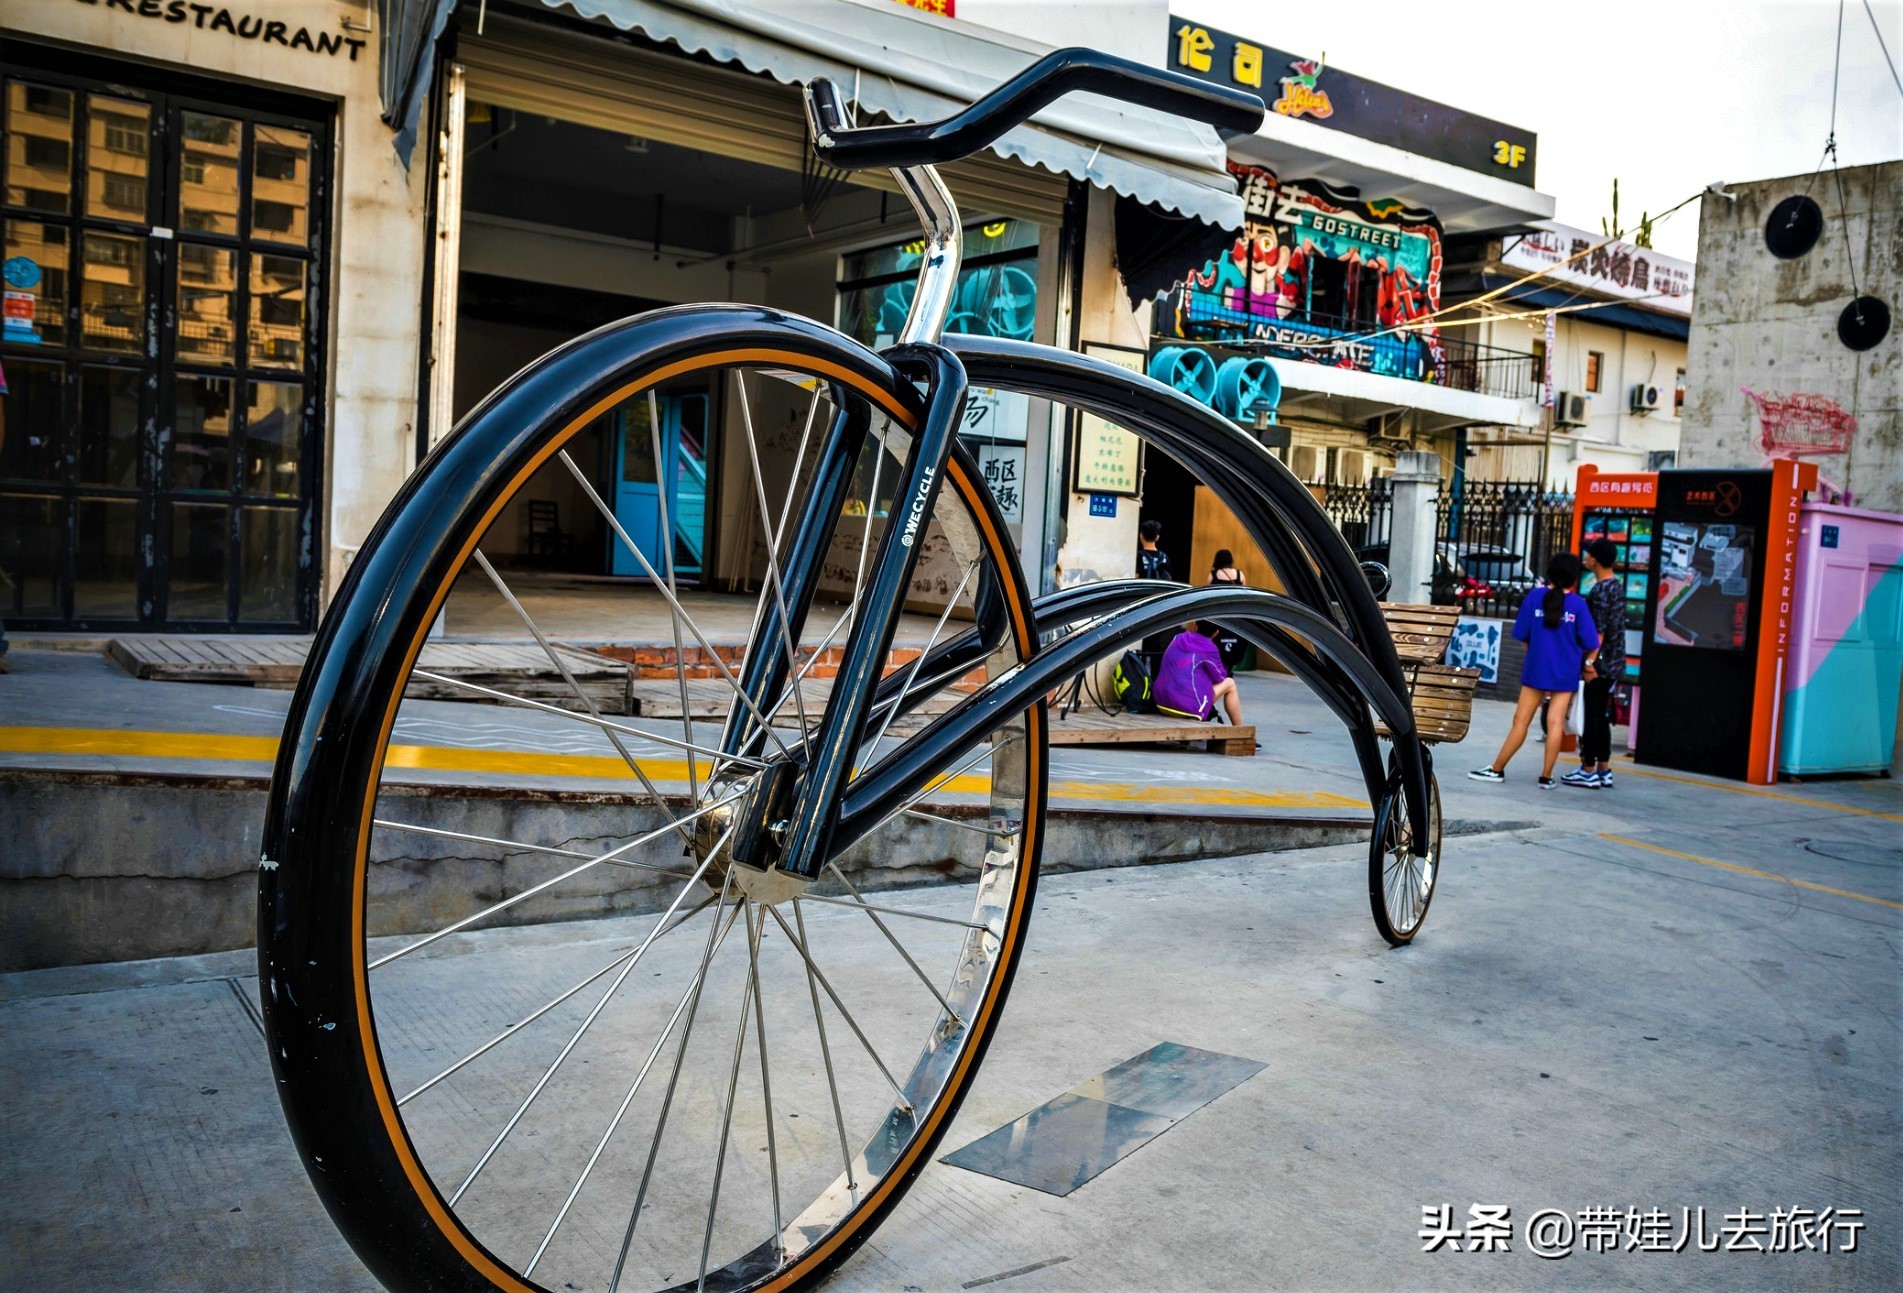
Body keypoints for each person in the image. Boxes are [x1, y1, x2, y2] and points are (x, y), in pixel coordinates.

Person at [1469, 552, 1600, 789]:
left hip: (1536, 668)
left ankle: (1497, 769)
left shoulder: (1534, 597)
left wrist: (1538, 651)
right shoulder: (1578, 605)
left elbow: (1523, 636)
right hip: (1566, 672)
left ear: (1549, 572)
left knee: (1521, 721)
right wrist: (1588, 665)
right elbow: (1591, 643)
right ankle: (1546, 777)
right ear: (1574, 577)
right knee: (1555, 723)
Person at [1562, 538, 1628, 788]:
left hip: (1599, 663)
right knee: (1601, 715)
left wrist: (1589, 663)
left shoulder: (1600, 591)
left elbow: (1598, 633)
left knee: (1591, 715)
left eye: (1588, 553)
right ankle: (1604, 768)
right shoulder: (1616, 587)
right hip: (1614, 662)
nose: (1586, 557)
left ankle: (1587, 768)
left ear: (1595, 560)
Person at [1153, 622, 1245, 730]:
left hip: (1161, 700)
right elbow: (1220, 677)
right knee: (1230, 683)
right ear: (1216, 633)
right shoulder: (1210, 648)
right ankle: (1240, 729)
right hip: (1187, 707)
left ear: (1195, 626)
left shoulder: (1178, 638)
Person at [1135, 518, 1173, 664]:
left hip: (1140, 606)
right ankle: (1156, 676)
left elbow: (1135, 579)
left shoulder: (1138, 556)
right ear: (1157, 537)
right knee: (1157, 645)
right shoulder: (1165, 558)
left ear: (1141, 535)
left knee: (1140, 644)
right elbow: (1168, 583)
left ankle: (1140, 674)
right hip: (1159, 607)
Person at [1206, 549, 1248, 671]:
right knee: (1233, 644)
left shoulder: (1213, 575)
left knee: (1218, 644)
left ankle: (1220, 669)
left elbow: (1207, 596)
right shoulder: (1240, 575)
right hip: (1235, 617)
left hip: (1219, 617)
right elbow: (1244, 597)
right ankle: (1229, 669)